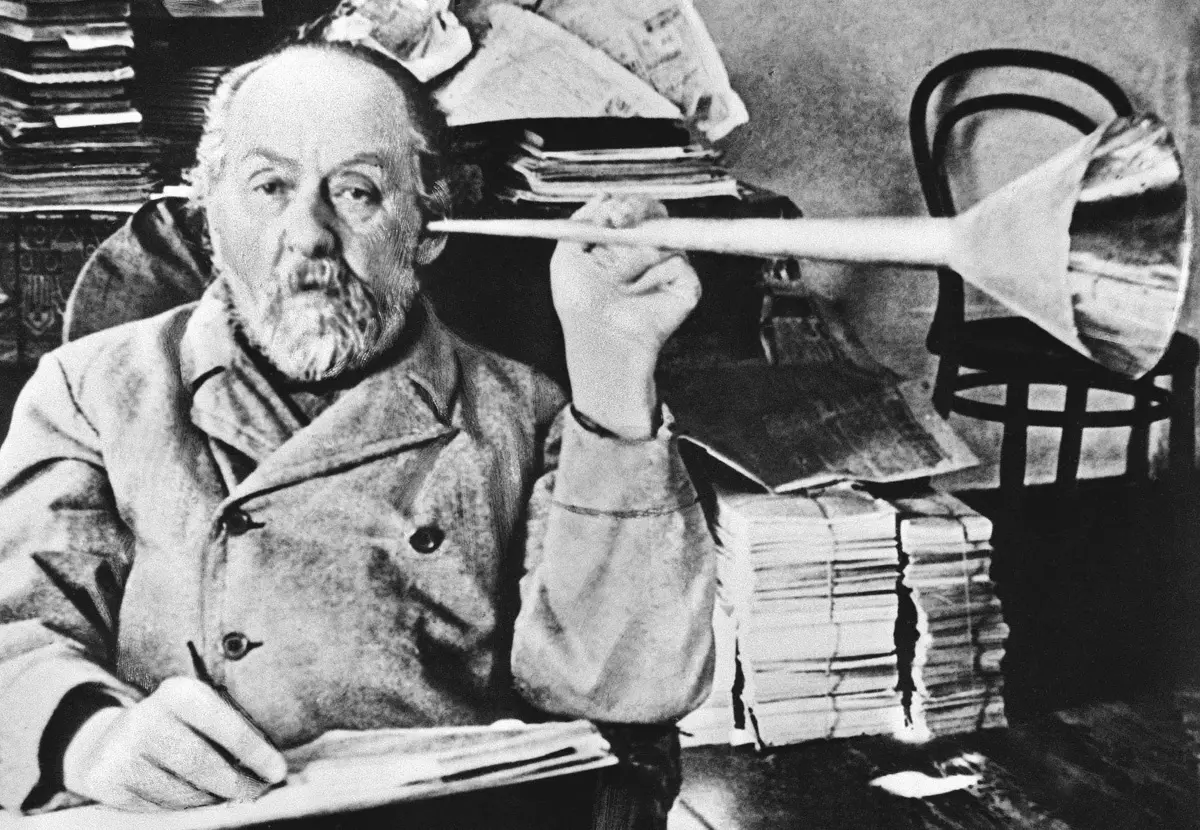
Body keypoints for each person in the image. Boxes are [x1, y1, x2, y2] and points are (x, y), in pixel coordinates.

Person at [0, 41, 715, 818]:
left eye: (356, 191)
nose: (309, 233)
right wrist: (90, 738)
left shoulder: (526, 414)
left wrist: (614, 367)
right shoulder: (92, 391)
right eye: (269, 186)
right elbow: (15, 639)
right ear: (211, 216)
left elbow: (623, 691)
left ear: (428, 226)